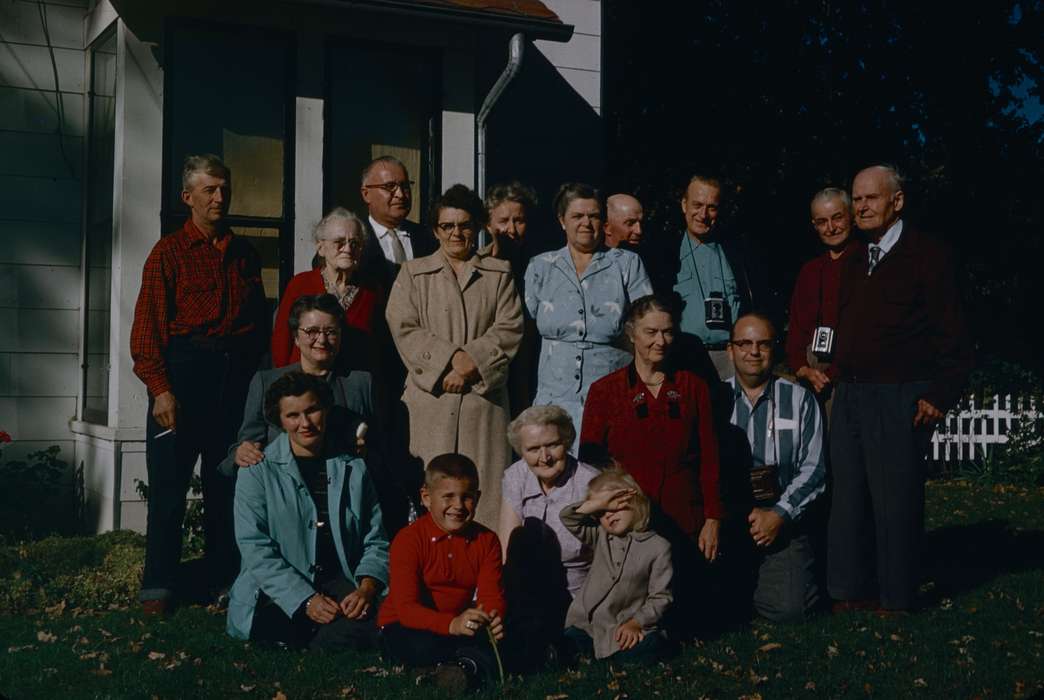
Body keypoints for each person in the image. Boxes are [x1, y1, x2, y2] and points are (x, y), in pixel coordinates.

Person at [829, 164, 973, 613]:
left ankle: (898, 596)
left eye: (871, 197)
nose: (862, 206)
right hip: (850, 392)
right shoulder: (853, 258)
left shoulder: (928, 255)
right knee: (848, 496)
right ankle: (850, 591)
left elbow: (955, 337)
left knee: (896, 501)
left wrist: (941, 394)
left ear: (898, 201)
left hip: (898, 393)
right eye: (857, 198)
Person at [130, 154, 268, 615]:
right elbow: (147, 331)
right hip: (182, 377)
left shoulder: (244, 255)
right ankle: (159, 585)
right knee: (169, 487)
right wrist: (160, 390)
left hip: (233, 378)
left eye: (224, 188)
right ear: (188, 197)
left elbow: (258, 325)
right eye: (209, 189)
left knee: (225, 483)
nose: (219, 197)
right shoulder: (167, 253)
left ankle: (222, 578)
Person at [385, 184, 523, 528]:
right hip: (432, 399)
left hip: (482, 401)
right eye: (447, 226)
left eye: (464, 225)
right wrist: (446, 362)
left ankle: (485, 572)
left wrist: (471, 363)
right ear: (435, 230)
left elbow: (510, 328)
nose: (456, 233)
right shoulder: (413, 274)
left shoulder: (499, 274)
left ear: (477, 227)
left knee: (484, 492)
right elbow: (403, 326)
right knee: (433, 489)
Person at [227, 372, 389, 648]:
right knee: (344, 630)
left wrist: (366, 588)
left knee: (381, 618)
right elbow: (255, 548)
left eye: (312, 410)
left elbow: (375, 540)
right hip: (274, 588)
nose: (305, 424)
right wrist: (305, 598)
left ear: (325, 409)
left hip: (337, 580)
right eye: (292, 415)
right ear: (280, 420)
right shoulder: (257, 471)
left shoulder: (354, 468)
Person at [580, 294, 723, 559]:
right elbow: (590, 465)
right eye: (651, 332)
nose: (661, 341)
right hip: (629, 525)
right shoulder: (604, 391)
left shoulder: (693, 387)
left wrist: (713, 518)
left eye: (668, 332)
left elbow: (710, 459)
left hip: (686, 523)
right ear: (631, 334)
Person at [524, 183, 652, 448]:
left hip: (612, 392)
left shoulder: (626, 263)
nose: (586, 223)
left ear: (603, 222)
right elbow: (529, 323)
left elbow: (646, 325)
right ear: (562, 221)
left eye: (593, 216)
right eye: (577, 216)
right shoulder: (541, 267)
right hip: (554, 397)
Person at [726, 313, 826, 622]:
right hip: (729, 519)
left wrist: (778, 515)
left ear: (774, 350)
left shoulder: (801, 400)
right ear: (730, 350)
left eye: (763, 344)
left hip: (781, 519)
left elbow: (815, 470)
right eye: (744, 343)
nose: (753, 352)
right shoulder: (712, 398)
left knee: (790, 609)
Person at [378, 453, 506, 689]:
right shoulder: (409, 539)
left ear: (477, 498)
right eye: (448, 496)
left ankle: (454, 670)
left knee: (505, 635)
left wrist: (491, 617)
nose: (458, 506)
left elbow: (490, 595)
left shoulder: (487, 540)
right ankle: (463, 666)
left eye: (467, 497)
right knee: (418, 644)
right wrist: (453, 625)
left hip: (458, 623)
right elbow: (406, 609)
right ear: (426, 498)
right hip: (409, 624)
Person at [497, 405, 599, 670]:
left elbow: (606, 556)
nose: (544, 457)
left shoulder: (590, 482)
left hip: (578, 593)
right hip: (530, 590)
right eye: (532, 449)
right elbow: (508, 547)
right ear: (521, 452)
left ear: (566, 442)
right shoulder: (515, 476)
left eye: (552, 445)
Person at [559, 469, 672, 663]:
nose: (609, 515)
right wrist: (598, 503)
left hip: (623, 626)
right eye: (602, 512)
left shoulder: (658, 547)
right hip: (588, 625)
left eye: (615, 507)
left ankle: (615, 656)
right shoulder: (601, 535)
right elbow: (568, 518)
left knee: (651, 645)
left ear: (634, 501)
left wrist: (637, 622)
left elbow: (661, 597)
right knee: (568, 644)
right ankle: (569, 652)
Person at [270, 208, 385, 370]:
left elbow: (378, 347)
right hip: (303, 384)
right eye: (339, 243)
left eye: (355, 243)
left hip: (351, 386)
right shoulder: (300, 284)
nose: (348, 249)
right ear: (321, 248)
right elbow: (282, 341)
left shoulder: (372, 291)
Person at [785, 188, 855, 415]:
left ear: (851, 215)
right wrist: (801, 368)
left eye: (837, 218)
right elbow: (796, 326)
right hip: (809, 372)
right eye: (822, 222)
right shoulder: (810, 270)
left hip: (847, 375)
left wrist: (831, 374)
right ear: (814, 226)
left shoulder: (866, 262)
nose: (831, 228)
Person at [671, 174, 743, 380]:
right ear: (684, 205)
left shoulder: (736, 252)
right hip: (684, 357)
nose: (703, 214)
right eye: (697, 205)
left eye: (711, 207)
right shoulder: (667, 252)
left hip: (730, 357)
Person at [484, 181, 540, 416]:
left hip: (531, 368)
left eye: (519, 221)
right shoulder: (478, 266)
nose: (512, 229)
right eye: (503, 221)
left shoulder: (541, 265)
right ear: (488, 225)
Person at [360, 155, 437, 275]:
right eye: (389, 186)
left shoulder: (429, 238)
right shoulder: (352, 240)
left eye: (405, 186)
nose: (400, 195)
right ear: (366, 194)